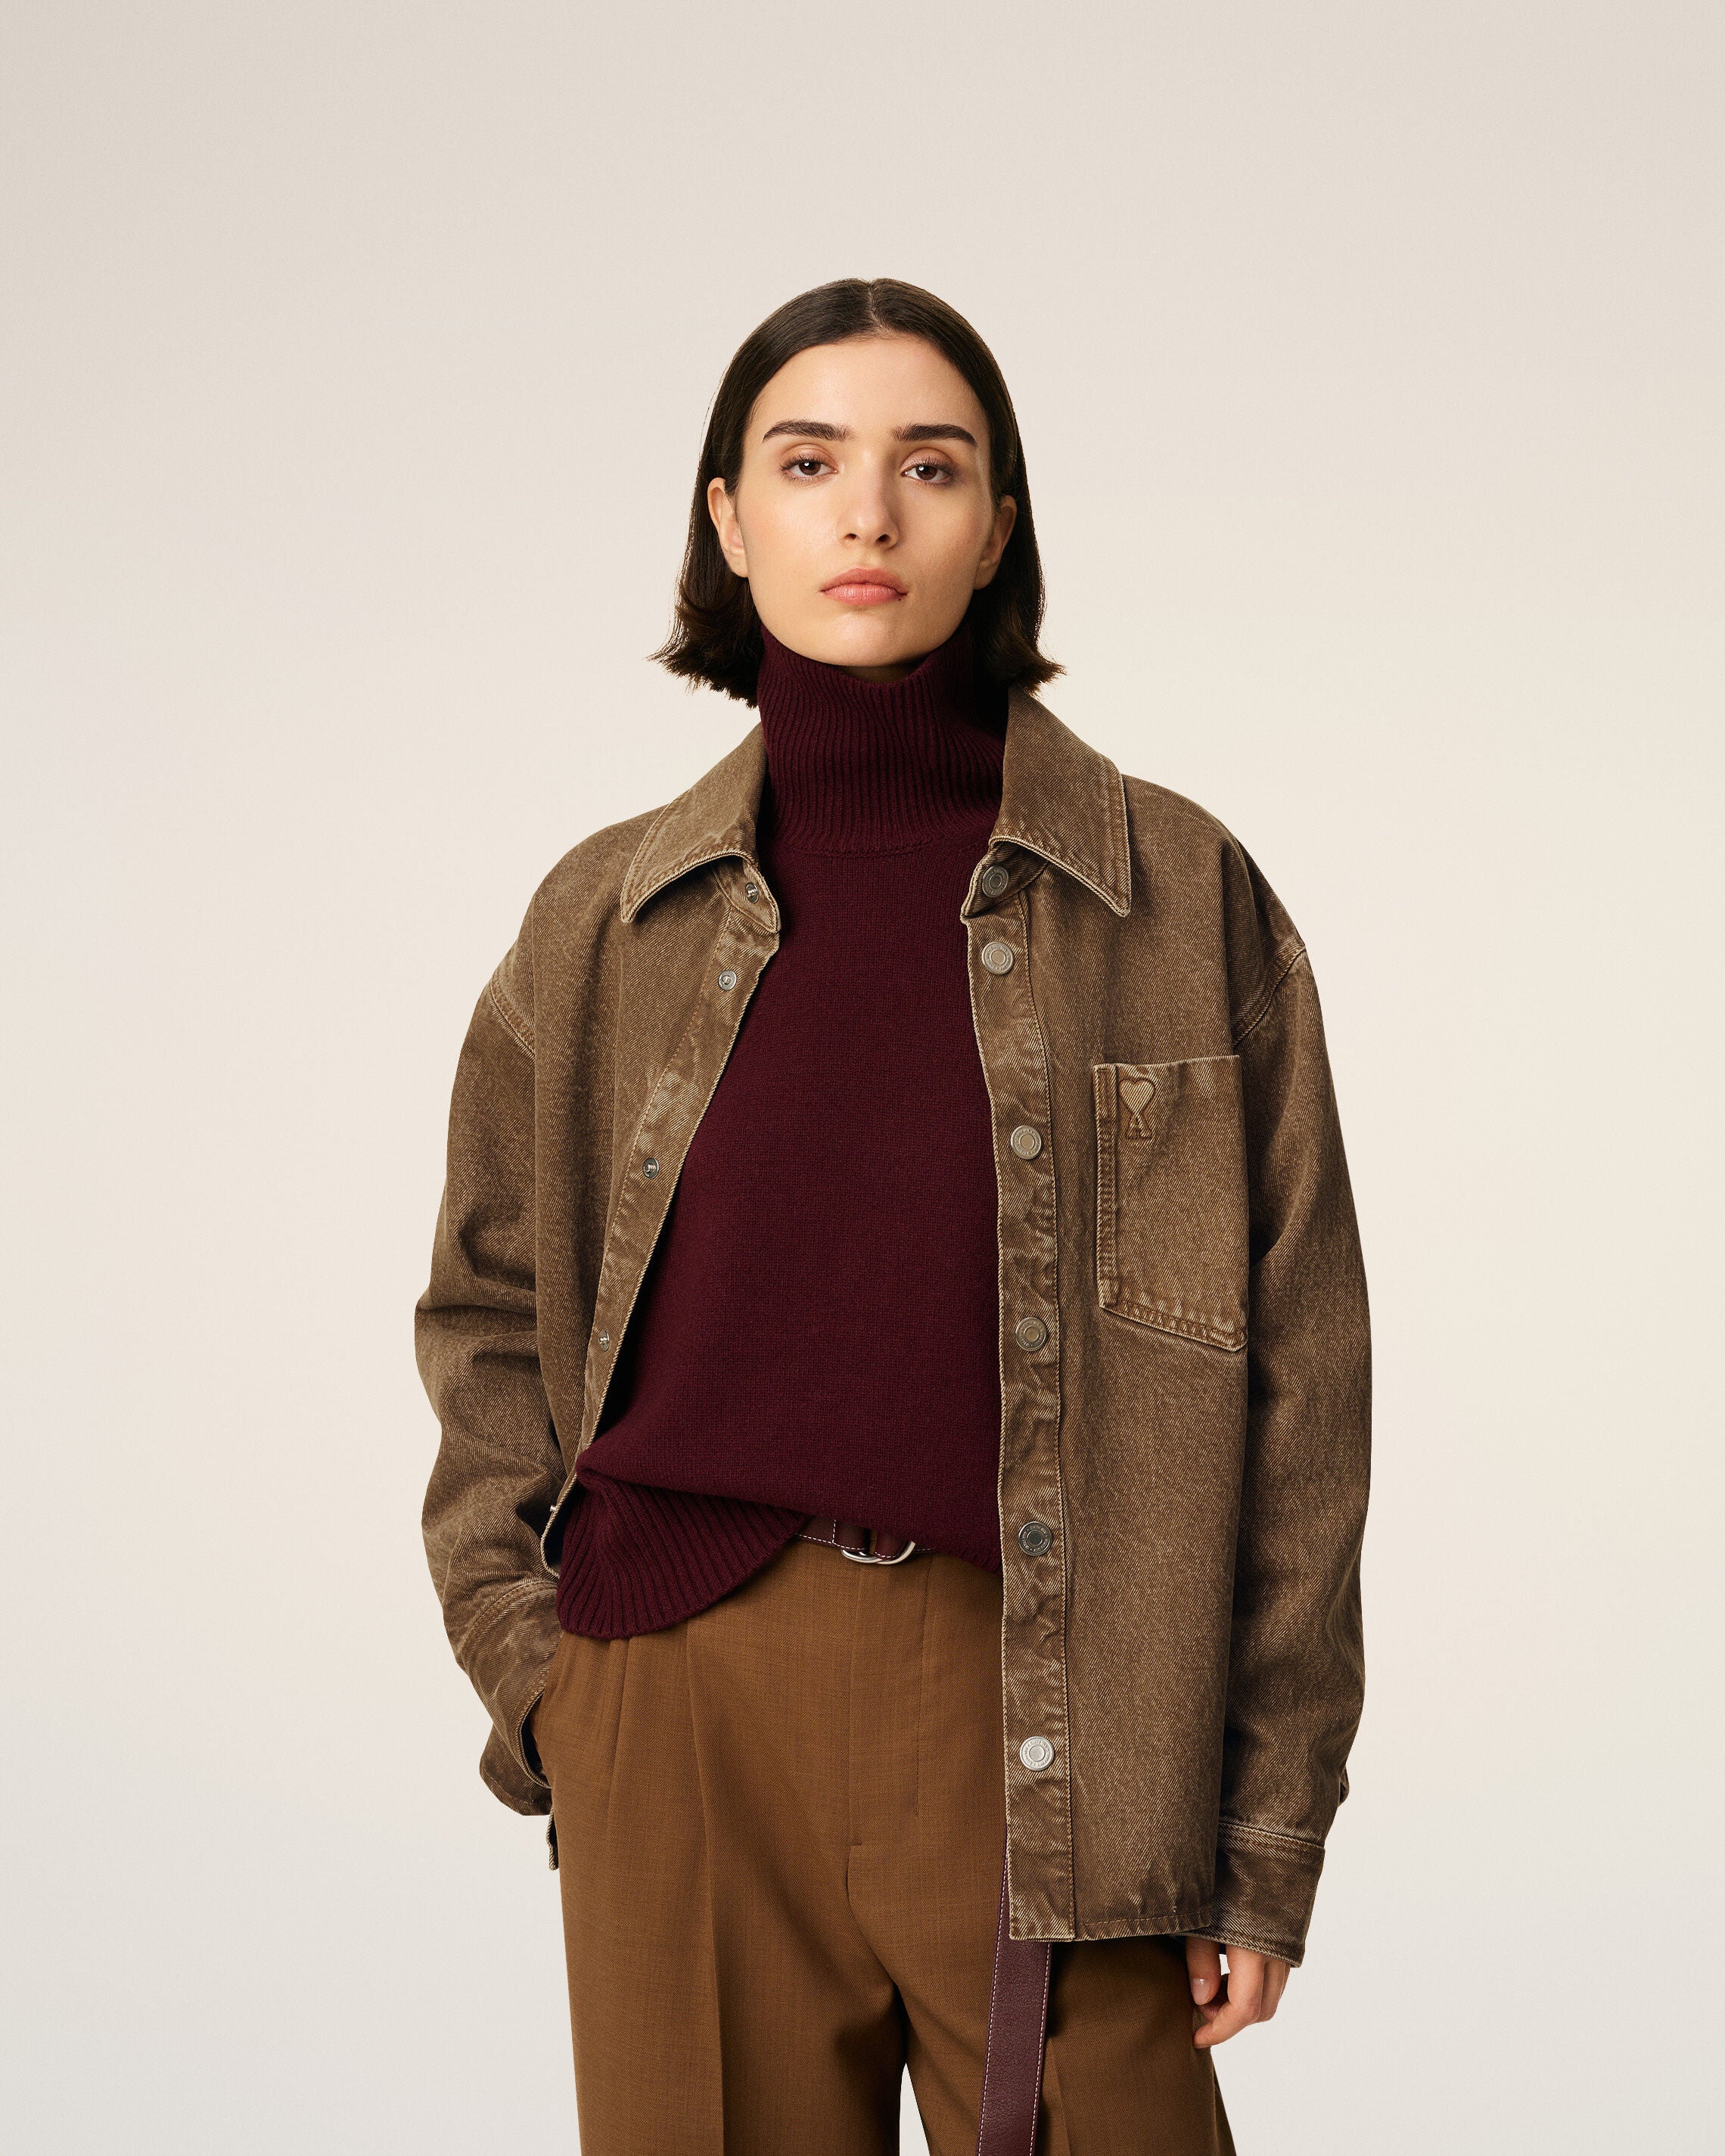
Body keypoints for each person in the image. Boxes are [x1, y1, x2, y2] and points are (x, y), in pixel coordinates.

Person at [416, 276, 1370, 2154]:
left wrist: (1264, 1830)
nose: (868, 513)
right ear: (727, 519)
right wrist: (545, 1685)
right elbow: (488, 1313)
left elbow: (1301, 1389)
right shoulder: (604, 920)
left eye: (930, 466)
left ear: (997, 524)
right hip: (678, 1703)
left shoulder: (1177, 897)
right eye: (807, 464)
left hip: (1059, 1712)